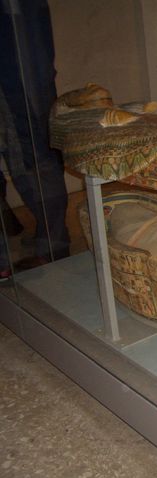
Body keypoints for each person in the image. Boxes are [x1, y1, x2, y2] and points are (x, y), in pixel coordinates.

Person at [0, 0, 70, 280]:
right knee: (35, 156)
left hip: (20, 76)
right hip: (23, 72)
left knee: (34, 158)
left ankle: (51, 245)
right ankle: (47, 243)